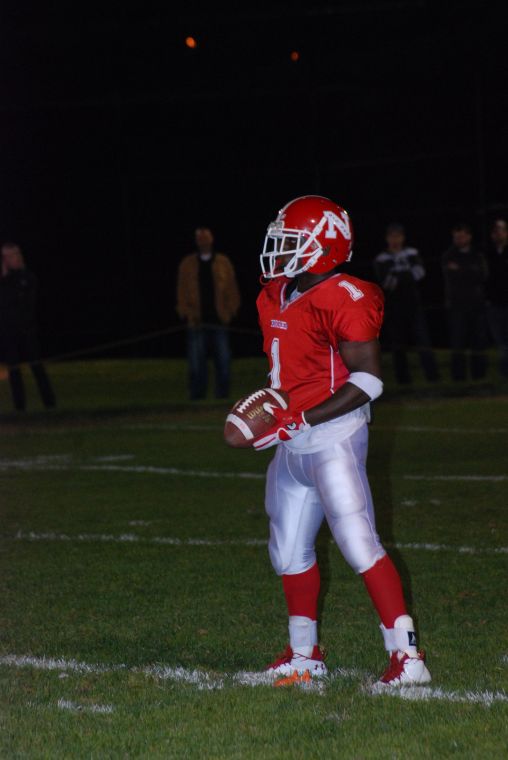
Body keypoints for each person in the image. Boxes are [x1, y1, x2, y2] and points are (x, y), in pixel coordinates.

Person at [251, 195, 431, 687]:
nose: (279, 250)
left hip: (333, 436)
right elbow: (290, 369)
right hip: (292, 442)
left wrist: (302, 418)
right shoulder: (276, 294)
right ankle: (304, 655)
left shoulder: (345, 295)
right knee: (287, 550)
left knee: (358, 543)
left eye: (291, 241)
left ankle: (407, 658)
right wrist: (274, 410)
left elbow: (369, 380)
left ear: (324, 245)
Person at [176, 228, 241, 400]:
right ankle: (197, 397)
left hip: (219, 321)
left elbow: (232, 289)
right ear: (196, 242)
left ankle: (223, 396)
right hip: (196, 322)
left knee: (224, 361)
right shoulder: (187, 264)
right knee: (196, 364)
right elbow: (181, 291)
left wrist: (230, 311)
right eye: (200, 239)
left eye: (206, 238)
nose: (203, 242)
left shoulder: (223, 262)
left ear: (211, 240)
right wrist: (187, 313)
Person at [374, 223, 439, 384]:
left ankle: (433, 377)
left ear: (403, 238)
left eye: (398, 236)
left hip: (414, 306)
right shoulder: (381, 258)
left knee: (423, 341)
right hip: (394, 308)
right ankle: (403, 380)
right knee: (398, 344)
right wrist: (406, 275)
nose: (395, 239)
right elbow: (387, 283)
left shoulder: (412, 253)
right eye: (392, 236)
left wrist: (398, 275)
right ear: (387, 238)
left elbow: (420, 273)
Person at [0, 242, 56, 411]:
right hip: (8, 333)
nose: (14, 258)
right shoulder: (3, 281)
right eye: (8, 256)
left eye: (15, 254)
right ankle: (20, 407)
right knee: (14, 370)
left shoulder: (28, 277)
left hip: (27, 331)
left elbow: (24, 304)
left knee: (36, 366)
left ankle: (50, 404)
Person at [442, 224, 489, 381]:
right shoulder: (448, 255)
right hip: (456, 306)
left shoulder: (477, 254)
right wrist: (470, 271)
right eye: (456, 237)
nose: (459, 239)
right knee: (458, 342)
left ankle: (479, 375)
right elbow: (451, 276)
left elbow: (482, 275)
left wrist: (461, 270)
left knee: (478, 340)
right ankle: (458, 377)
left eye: (462, 236)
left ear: (469, 236)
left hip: (477, 305)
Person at [485, 219, 508, 379]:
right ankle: (504, 374)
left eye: (501, 231)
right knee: (501, 342)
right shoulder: (488, 253)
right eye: (495, 231)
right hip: (494, 304)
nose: (498, 234)